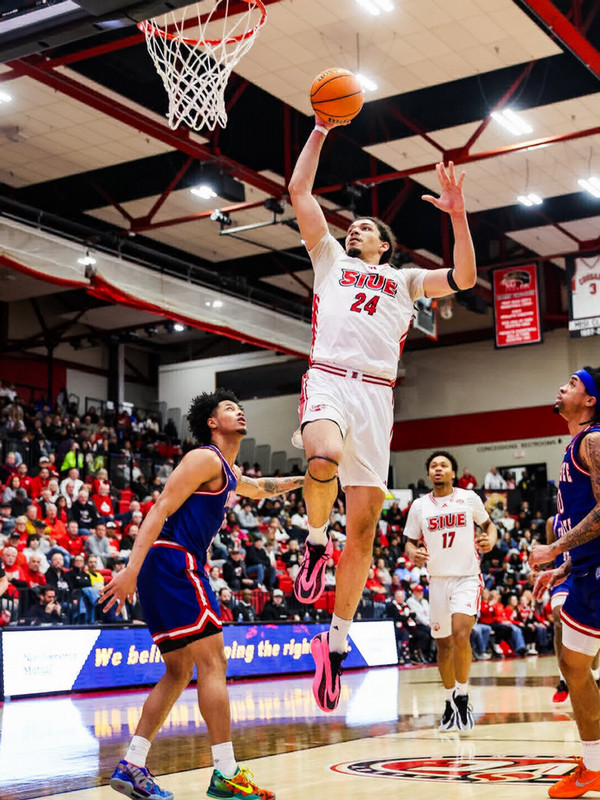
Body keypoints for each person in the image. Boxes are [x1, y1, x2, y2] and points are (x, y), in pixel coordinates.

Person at [287, 115, 477, 712]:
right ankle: (315, 539)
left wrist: (457, 216)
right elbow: (298, 191)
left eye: (366, 228)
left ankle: (335, 647)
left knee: (365, 529)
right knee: (323, 456)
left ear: (384, 246)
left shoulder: (405, 281)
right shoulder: (329, 260)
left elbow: (465, 277)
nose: (355, 230)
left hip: (377, 397)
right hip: (329, 378)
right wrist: (320, 129)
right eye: (353, 226)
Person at [100, 389, 304, 800]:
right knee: (214, 662)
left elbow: (261, 487)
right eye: (230, 408)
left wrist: (308, 478)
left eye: (240, 407)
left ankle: (132, 764)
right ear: (212, 422)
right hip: (174, 560)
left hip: (167, 566)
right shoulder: (205, 458)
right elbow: (159, 508)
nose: (239, 411)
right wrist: (130, 570)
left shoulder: (227, 470)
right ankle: (226, 772)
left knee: (179, 671)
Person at [530, 366, 600, 799]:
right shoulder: (577, 443)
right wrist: (563, 566)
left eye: (572, 383)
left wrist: (555, 548)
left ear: (590, 399)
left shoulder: (594, 440)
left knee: (575, 665)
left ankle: (594, 765)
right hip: (586, 568)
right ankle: (593, 764)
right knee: (573, 665)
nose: (561, 386)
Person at [404, 451, 497, 732]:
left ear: (453, 473)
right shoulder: (419, 505)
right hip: (437, 580)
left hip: (466, 576)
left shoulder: (468, 498)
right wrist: (413, 554)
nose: (438, 469)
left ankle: (463, 695)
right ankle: (449, 701)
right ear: (429, 473)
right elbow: (409, 542)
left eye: (444, 465)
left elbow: (489, 525)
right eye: (433, 465)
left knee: (460, 633)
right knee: (443, 645)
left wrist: (490, 540)